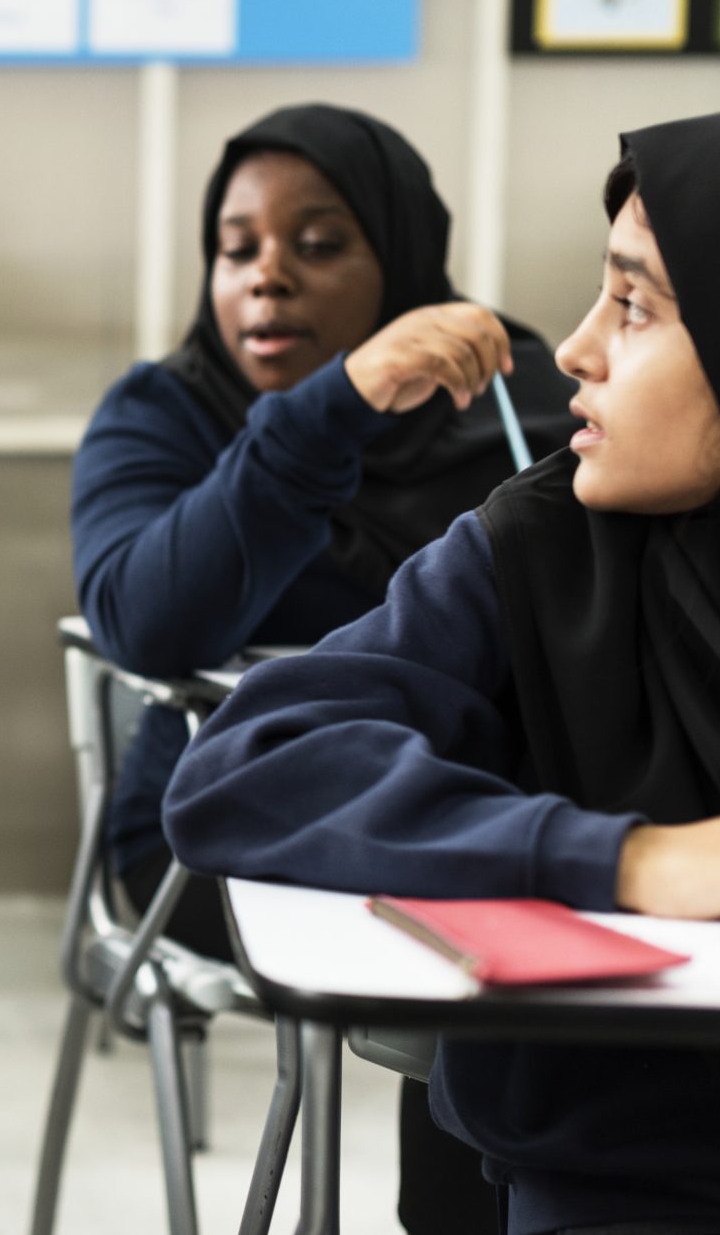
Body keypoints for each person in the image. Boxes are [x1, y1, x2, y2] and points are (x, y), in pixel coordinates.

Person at [163, 107, 720, 1234]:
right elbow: (244, 763)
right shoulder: (540, 547)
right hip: (625, 1182)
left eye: (631, 306)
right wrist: (630, 860)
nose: (574, 349)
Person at [68, 103, 576, 1232]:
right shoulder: (163, 411)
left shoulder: (510, 398)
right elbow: (146, 621)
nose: (267, 280)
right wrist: (327, 410)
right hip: (215, 832)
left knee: (531, 886)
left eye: (317, 242)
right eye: (236, 247)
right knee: (494, 890)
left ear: (401, 257)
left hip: (464, 811)